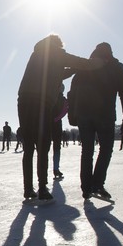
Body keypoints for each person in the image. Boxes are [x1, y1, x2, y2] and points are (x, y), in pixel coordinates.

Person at [17, 34, 104, 203]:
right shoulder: (57, 53)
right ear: (58, 45)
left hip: (23, 100)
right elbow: (82, 63)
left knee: (28, 146)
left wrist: (72, 70)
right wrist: (100, 62)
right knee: (43, 144)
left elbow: (56, 73)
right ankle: (42, 188)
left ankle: (28, 189)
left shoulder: (36, 54)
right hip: (41, 101)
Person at [67, 42, 123, 202]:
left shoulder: (85, 67)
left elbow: (72, 91)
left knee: (87, 151)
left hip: (84, 115)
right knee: (105, 149)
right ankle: (96, 184)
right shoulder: (116, 67)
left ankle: (87, 188)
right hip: (105, 114)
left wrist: (73, 115)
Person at [51, 91, 69, 180]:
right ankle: (55, 169)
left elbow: (65, 110)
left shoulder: (49, 96)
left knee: (46, 149)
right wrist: (56, 119)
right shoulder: (63, 99)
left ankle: (55, 169)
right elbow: (65, 111)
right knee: (56, 148)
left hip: (49, 123)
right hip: (56, 124)